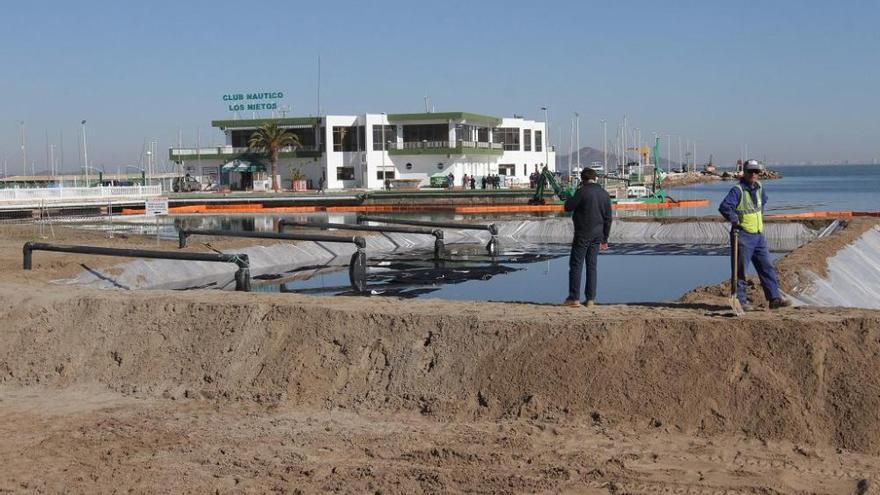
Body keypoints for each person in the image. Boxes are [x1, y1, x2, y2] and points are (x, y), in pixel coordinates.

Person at [719, 159, 791, 310]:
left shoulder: (759, 187)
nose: (753, 174)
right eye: (750, 171)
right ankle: (740, 301)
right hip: (743, 235)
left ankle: (774, 299)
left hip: (758, 235)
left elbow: (763, 202)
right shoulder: (737, 190)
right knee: (741, 271)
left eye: (756, 171)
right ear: (744, 172)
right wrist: (735, 219)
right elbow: (725, 207)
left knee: (767, 267)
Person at [563, 167, 612, 307]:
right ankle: (590, 299)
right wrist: (605, 238)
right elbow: (608, 218)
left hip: (583, 233)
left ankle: (574, 298)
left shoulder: (581, 191)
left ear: (583, 179)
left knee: (576, 265)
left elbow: (568, 207)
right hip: (598, 234)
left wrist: (570, 196)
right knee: (592, 266)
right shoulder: (604, 194)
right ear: (595, 178)